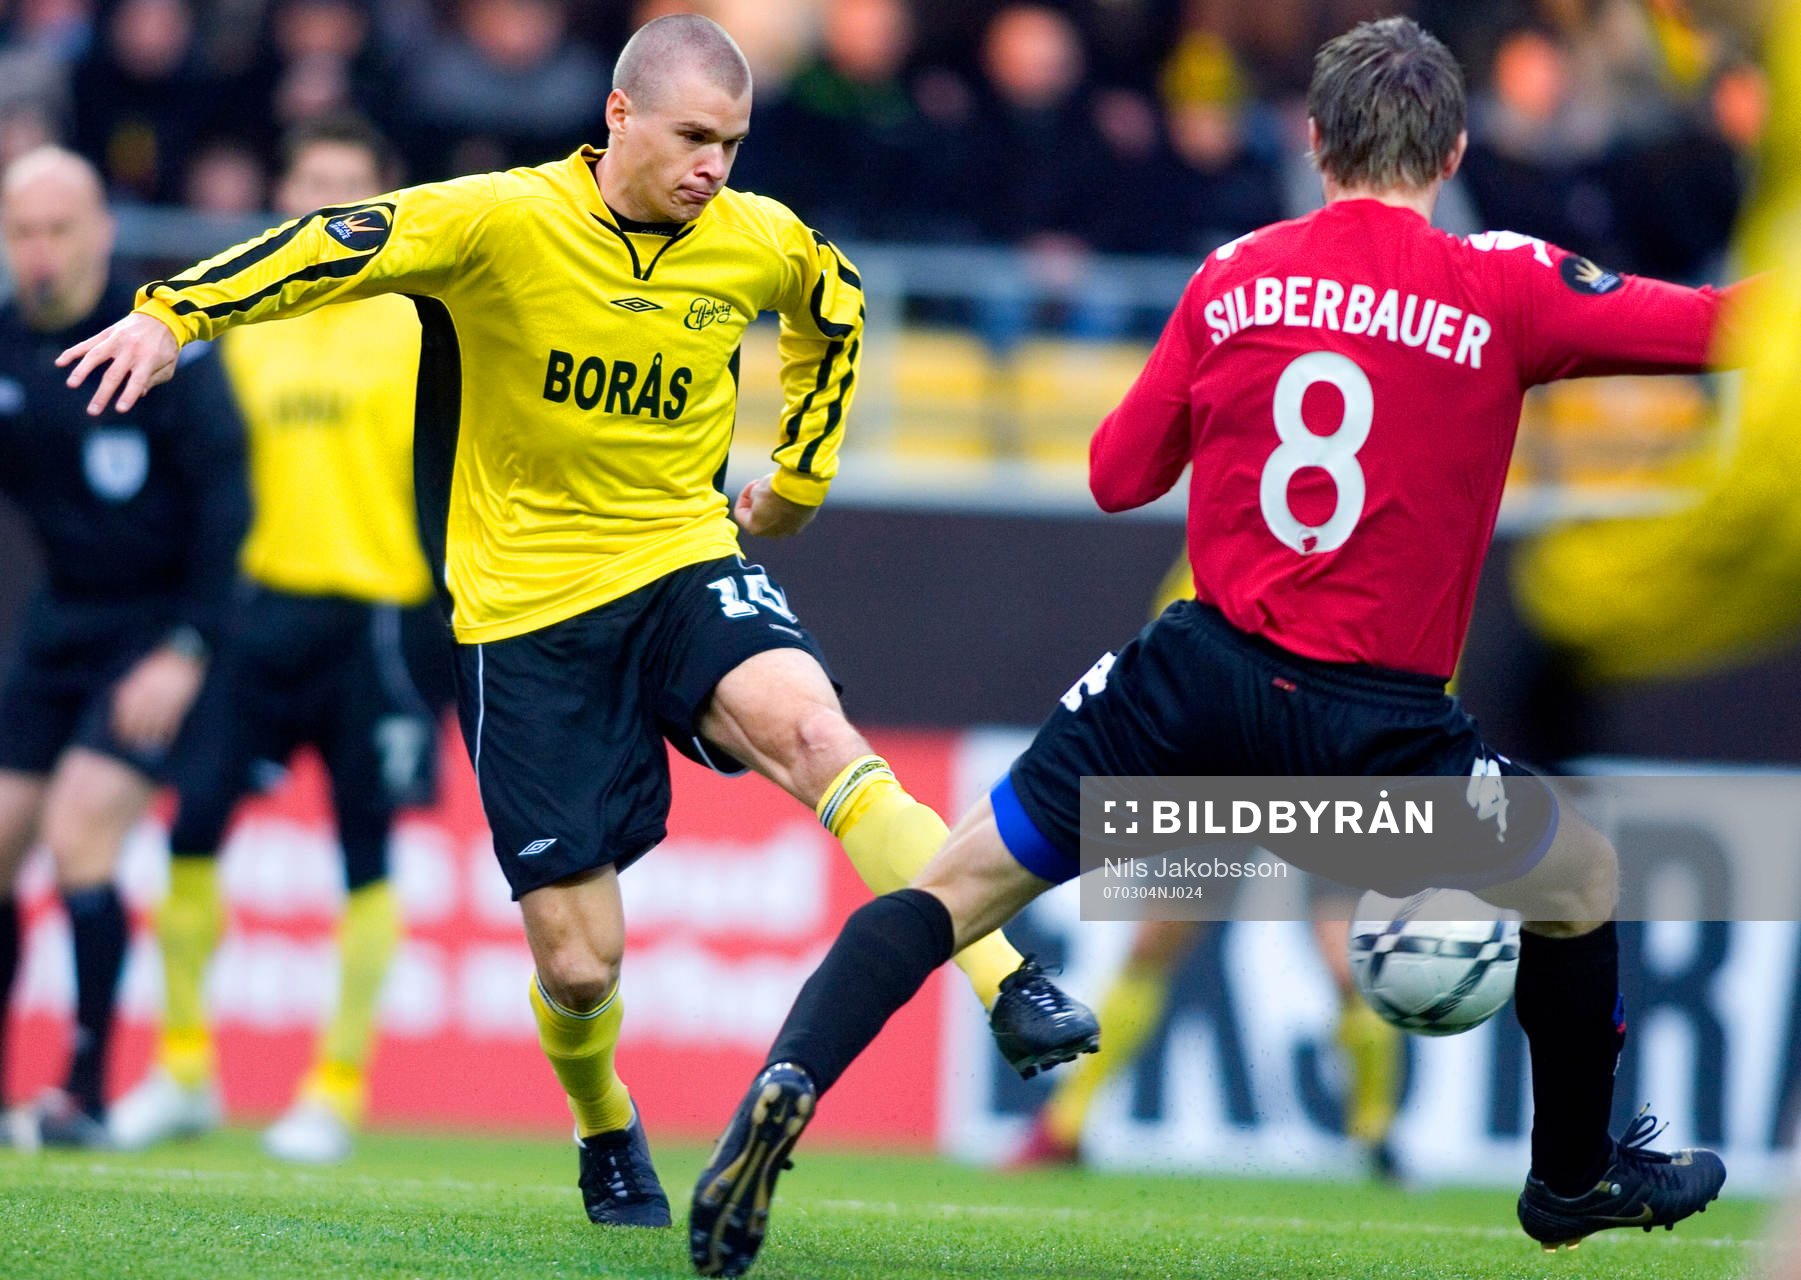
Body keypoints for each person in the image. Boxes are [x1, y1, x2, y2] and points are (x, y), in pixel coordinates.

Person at [685, 17, 1742, 1276]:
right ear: (1450, 151)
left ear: (1311, 140)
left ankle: (789, 1079)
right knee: (1576, 886)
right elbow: (1719, 330)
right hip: (1382, 729)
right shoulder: (1502, 282)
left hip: (1195, 682)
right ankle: (1571, 1175)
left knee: (950, 888)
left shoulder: (1235, 274)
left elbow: (1114, 472)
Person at [59, 13, 1095, 1226]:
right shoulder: (499, 220)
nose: (715, 166)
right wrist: (170, 313)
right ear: (619, 117)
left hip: (679, 554)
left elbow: (838, 303)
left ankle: (1004, 973)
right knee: (580, 960)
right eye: (694, 137)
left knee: (817, 737)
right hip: (525, 612)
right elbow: (331, 244)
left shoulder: (752, 238)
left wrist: (799, 480)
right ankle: (605, 1120)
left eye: (734, 143)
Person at [106, 114, 448, 1165]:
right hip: (253, 619)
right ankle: (183, 1065)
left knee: (366, 853)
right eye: (312, 184)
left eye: (351, 188)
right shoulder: (236, 317)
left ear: (382, 201)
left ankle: (334, 1090)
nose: (329, 205)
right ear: (284, 193)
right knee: (191, 828)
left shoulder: (424, 320)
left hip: (377, 623)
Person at [0, 146, 247, 1147]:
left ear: (104, 232)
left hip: (159, 630)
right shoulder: (9, 348)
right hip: (63, 623)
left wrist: (187, 647)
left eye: (61, 228)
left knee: (79, 836)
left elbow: (232, 513)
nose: (42, 250)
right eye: (23, 231)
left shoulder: (163, 348)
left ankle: (86, 1089)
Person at [1011, 555, 1405, 1179]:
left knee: (1346, 961)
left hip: (1320, 770)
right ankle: (1067, 1125)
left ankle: (1377, 1135)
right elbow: (1174, 630)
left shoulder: (1337, 542)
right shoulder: (1256, 531)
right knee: (1156, 942)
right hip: (1235, 771)